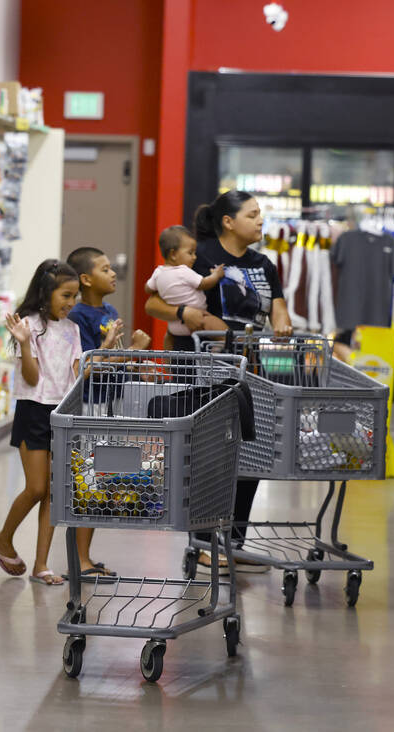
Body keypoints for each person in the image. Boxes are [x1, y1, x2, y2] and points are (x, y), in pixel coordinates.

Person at [145, 190, 292, 574]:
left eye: (261, 214)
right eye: (253, 214)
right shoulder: (201, 255)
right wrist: (182, 312)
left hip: (250, 366)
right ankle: (205, 541)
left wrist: (282, 323)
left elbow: (278, 305)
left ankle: (234, 540)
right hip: (201, 365)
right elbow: (152, 304)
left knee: (252, 451)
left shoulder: (264, 264)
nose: (261, 221)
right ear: (229, 221)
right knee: (211, 454)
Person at [0, 260, 89, 584]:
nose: (71, 303)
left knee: (55, 492)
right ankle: (3, 538)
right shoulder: (27, 325)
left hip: (63, 412)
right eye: (66, 295)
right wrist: (26, 343)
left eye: (75, 296)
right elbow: (31, 379)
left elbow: (75, 376)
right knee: (36, 487)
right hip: (33, 409)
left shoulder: (72, 330)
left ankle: (41, 565)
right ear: (46, 292)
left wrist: (104, 356)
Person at [146, 226, 229, 340]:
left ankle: (168, 357)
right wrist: (216, 275)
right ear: (173, 254)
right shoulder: (184, 271)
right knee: (223, 331)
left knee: (170, 337)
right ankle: (223, 344)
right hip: (199, 318)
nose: (194, 257)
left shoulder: (158, 272)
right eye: (190, 253)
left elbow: (148, 288)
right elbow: (204, 284)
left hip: (174, 325)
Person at [67, 247, 151, 353]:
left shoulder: (110, 310)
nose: (113, 273)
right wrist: (135, 348)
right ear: (86, 280)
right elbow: (89, 363)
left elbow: (115, 357)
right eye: (105, 270)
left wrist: (132, 366)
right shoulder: (78, 316)